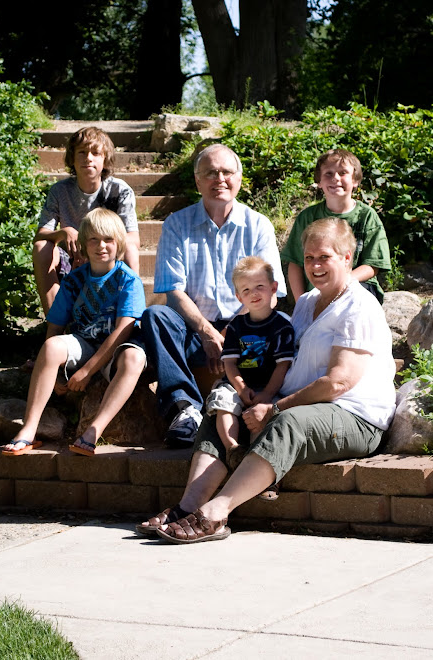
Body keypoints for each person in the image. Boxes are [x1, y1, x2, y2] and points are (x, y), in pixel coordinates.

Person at [136, 218, 396, 543]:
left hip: (354, 415)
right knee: (222, 406)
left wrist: (273, 408)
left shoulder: (358, 306)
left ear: (347, 257)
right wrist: (246, 391)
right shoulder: (306, 304)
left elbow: (337, 383)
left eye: (324, 257)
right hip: (299, 403)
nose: (315, 265)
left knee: (287, 423)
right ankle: (187, 506)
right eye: (309, 257)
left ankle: (215, 514)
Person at [141, 143, 287, 448]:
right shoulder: (176, 224)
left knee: (276, 326)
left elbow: (271, 293)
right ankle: (187, 408)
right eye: (210, 173)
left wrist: (231, 334)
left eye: (226, 172)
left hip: (246, 329)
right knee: (156, 316)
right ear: (198, 181)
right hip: (196, 330)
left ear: (239, 179)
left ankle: (254, 409)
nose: (219, 178)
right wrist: (207, 332)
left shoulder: (258, 225)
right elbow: (171, 289)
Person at [1, 208, 146, 457]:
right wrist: (54, 368)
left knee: (135, 359)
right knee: (52, 346)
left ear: (119, 242)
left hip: (119, 348)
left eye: (108, 240)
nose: (101, 246)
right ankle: (29, 430)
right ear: (83, 245)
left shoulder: (127, 280)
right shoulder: (74, 280)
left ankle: (93, 432)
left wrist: (88, 371)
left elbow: (124, 329)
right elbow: (55, 327)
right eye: (94, 239)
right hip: (84, 342)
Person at [33, 126, 140, 316]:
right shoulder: (59, 191)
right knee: (42, 247)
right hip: (72, 258)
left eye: (95, 153)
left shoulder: (120, 190)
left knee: (130, 247)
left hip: (109, 256)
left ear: (105, 160)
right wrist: (63, 233)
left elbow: (132, 237)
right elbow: (41, 234)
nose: (88, 158)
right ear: (72, 159)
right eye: (82, 152)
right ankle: (56, 320)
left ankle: (130, 314)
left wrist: (97, 249)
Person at [206, 256, 294, 465]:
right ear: (238, 297)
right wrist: (241, 388)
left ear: (274, 288)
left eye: (259, 286)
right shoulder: (237, 326)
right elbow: (230, 363)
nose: (253, 293)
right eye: (246, 290)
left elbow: (283, 366)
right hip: (239, 384)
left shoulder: (282, 327)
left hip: (269, 386)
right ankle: (232, 449)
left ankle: (254, 457)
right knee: (223, 400)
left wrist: (267, 394)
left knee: (264, 418)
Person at [281, 148, 391, 304]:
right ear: (319, 181)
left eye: (343, 173)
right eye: (328, 174)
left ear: (355, 181)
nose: (336, 178)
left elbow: (372, 265)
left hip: (356, 287)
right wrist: (302, 302)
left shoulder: (367, 216)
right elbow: (295, 263)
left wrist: (341, 283)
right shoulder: (307, 217)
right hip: (316, 291)